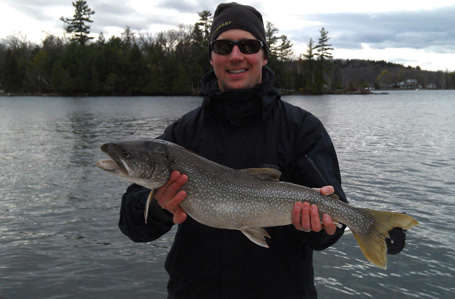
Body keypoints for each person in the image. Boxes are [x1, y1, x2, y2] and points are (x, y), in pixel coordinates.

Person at [119, 2, 347, 298]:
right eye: (223, 46)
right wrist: (160, 208)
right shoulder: (181, 135)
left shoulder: (301, 129)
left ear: (264, 56)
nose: (235, 55)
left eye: (248, 45)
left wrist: (317, 228)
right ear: (212, 57)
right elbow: (131, 224)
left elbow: (336, 219)